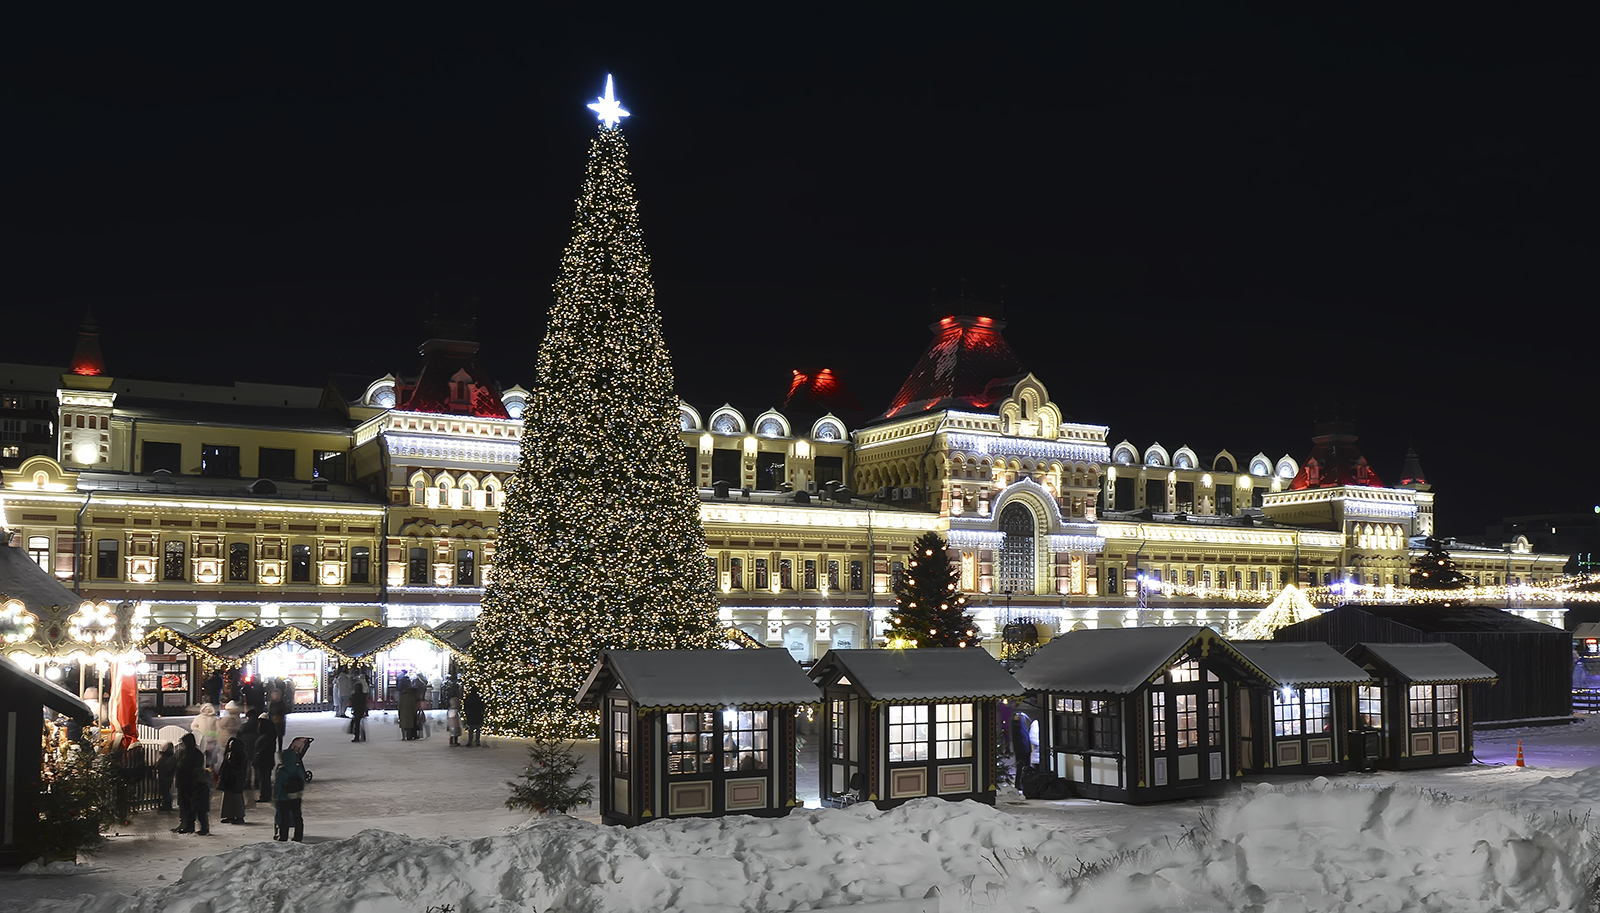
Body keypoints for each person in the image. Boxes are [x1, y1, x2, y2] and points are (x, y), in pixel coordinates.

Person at [173, 732, 207, 835]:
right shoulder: (185, 752)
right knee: (185, 805)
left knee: (194, 806)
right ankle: (188, 825)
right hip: (184, 783)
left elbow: (192, 769)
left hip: (191, 783)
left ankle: (198, 826)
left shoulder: (194, 754)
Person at [273, 747, 306, 842]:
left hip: (284, 798)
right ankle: (298, 836)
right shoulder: (298, 768)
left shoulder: (282, 771)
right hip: (296, 796)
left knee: (284, 818)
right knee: (297, 816)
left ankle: (283, 837)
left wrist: (275, 796)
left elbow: (278, 785)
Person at [219, 736, 249, 824]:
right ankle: (230, 815)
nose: (230, 746)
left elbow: (237, 767)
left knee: (236, 799)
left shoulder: (240, 755)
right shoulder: (231, 754)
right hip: (229, 779)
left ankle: (239, 816)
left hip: (235, 780)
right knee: (228, 799)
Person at [253, 713, 278, 803]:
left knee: (264, 779)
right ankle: (266, 795)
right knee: (265, 778)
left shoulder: (266, 736)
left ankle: (265, 795)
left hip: (264, 761)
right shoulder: (269, 734)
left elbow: (264, 749)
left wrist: (257, 755)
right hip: (267, 760)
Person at [192, 702, 222, 770]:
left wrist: (214, 735)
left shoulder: (214, 718)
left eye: (209, 709)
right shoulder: (199, 717)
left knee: (211, 754)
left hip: (211, 739)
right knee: (202, 753)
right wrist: (198, 731)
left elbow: (218, 728)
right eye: (206, 709)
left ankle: (211, 767)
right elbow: (193, 726)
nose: (207, 711)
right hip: (201, 738)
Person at [155, 741, 177, 812]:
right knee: (166, 791)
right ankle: (167, 805)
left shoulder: (163, 758)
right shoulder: (172, 757)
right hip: (169, 777)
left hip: (163, 776)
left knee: (164, 791)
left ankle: (166, 805)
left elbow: (157, 766)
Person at [349, 674, 369, 742]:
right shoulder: (362, 695)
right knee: (359, 724)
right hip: (361, 711)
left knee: (356, 724)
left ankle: (357, 736)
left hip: (356, 711)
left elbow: (353, 703)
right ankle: (362, 736)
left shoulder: (355, 696)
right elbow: (364, 704)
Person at [268, 687, 289, 752]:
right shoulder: (272, 703)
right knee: (273, 736)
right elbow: (269, 711)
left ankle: (280, 748)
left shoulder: (281, 703)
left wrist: (278, 714)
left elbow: (285, 711)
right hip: (272, 721)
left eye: (276, 695)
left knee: (280, 736)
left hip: (280, 721)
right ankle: (273, 748)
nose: (275, 696)